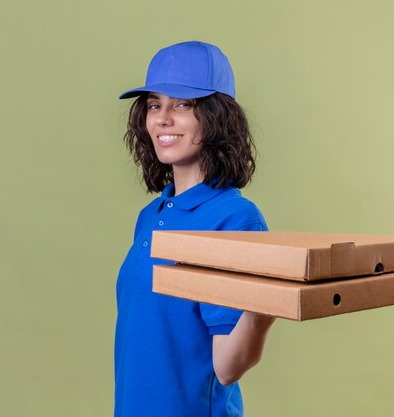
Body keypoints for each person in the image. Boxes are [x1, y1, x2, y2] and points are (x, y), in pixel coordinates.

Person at [116, 41, 275, 417]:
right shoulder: (151, 215)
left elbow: (227, 367)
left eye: (182, 105)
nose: (162, 119)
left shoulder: (235, 219)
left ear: (217, 117)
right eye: (154, 104)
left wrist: (261, 312)